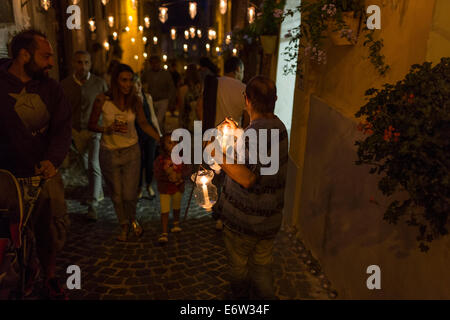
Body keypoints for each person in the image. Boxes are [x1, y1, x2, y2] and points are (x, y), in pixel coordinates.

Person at [0, 29, 71, 299]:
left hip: (44, 173)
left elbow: (62, 128)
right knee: (7, 235)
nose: (51, 63)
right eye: (46, 56)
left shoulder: (51, 88)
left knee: (50, 229)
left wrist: (53, 160)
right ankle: (15, 279)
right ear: (23, 55)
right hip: (6, 176)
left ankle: (50, 277)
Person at [214, 76, 288, 300]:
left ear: (246, 100)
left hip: (244, 222)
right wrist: (238, 132)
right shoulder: (279, 126)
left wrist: (215, 151)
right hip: (269, 219)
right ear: (274, 100)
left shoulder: (254, 133)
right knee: (262, 267)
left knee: (239, 269)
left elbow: (247, 178)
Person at [88, 64, 160, 241]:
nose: (128, 84)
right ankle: (124, 225)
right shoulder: (102, 100)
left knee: (129, 193)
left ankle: (133, 218)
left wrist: (161, 138)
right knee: (117, 195)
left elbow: (143, 123)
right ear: (115, 81)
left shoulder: (135, 100)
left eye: (130, 80)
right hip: (109, 153)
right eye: (123, 80)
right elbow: (91, 125)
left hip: (131, 152)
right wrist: (107, 129)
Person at [198, 57, 249, 230]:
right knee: (230, 179)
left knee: (216, 178)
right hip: (233, 141)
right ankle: (225, 213)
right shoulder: (243, 89)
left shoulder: (213, 84)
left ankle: (217, 212)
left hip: (212, 138)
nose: (242, 75)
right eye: (241, 72)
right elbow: (248, 118)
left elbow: (200, 107)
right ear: (237, 70)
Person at [61, 50, 108, 220]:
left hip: (94, 130)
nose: (83, 66)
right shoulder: (65, 85)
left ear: (91, 64)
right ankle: (97, 190)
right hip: (75, 131)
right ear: (74, 64)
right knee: (84, 164)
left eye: (86, 62)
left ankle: (93, 204)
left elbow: (107, 107)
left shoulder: (99, 84)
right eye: (79, 62)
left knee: (93, 163)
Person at [153, 133, 190, 244]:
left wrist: (180, 175)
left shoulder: (182, 158)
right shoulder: (160, 160)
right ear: (163, 145)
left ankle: (176, 223)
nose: (173, 145)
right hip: (165, 188)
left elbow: (187, 170)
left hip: (177, 187)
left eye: (175, 142)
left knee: (176, 206)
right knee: (165, 210)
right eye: (170, 143)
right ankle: (164, 232)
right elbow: (157, 172)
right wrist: (167, 176)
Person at [134, 74, 161, 199]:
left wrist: (159, 133)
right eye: (136, 85)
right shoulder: (131, 100)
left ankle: (149, 185)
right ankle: (139, 187)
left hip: (149, 133)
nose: (139, 87)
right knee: (139, 163)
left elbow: (153, 116)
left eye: (139, 84)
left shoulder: (147, 97)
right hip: (137, 134)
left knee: (150, 162)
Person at [141, 56, 176, 130]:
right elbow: (141, 85)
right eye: (152, 63)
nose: (155, 65)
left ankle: (157, 135)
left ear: (159, 63)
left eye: (156, 63)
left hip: (163, 99)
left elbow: (171, 87)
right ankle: (160, 134)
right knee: (153, 119)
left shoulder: (165, 74)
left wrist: (171, 100)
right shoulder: (147, 73)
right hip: (151, 100)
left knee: (159, 120)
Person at [177, 64, 202, 133]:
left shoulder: (183, 89)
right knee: (197, 142)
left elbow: (181, 108)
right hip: (198, 120)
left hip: (187, 120)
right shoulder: (201, 88)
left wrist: (180, 123)